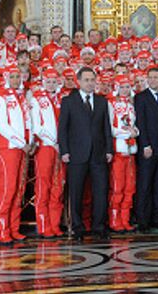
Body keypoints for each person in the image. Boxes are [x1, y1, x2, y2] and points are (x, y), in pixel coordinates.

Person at [59, 67, 113, 242]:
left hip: (98, 154)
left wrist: (109, 150)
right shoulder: (68, 101)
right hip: (76, 154)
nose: (90, 83)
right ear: (79, 81)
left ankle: (99, 227)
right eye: (86, 80)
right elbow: (63, 129)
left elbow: (106, 128)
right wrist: (64, 151)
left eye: (92, 80)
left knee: (101, 191)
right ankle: (77, 227)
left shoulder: (102, 101)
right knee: (76, 192)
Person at [0, 65, 33, 243]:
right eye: (13, 76)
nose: (16, 80)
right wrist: (22, 143)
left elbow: (28, 122)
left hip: (22, 148)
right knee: (7, 189)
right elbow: (2, 126)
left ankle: (14, 228)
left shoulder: (22, 97)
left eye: (19, 77)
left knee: (19, 189)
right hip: (7, 148)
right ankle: (1, 229)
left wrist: (30, 142)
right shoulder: (0, 98)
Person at [134, 67, 158, 231]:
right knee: (145, 185)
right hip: (148, 149)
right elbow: (140, 123)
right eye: (149, 77)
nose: (152, 80)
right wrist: (145, 144)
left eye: (155, 77)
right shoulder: (140, 97)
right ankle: (143, 220)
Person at [31, 68, 65, 237]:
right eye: (48, 81)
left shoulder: (62, 98)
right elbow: (37, 127)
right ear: (43, 82)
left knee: (58, 187)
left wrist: (62, 144)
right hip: (45, 147)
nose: (51, 84)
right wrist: (54, 142)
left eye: (54, 81)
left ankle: (55, 224)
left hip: (61, 148)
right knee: (43, 186)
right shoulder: (37, 99)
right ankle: (43, 225)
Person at [108, 75, 139, 232]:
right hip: (118, 151)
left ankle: (125, 220)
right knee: (117, 187)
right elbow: (110, 129)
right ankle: (115, 221)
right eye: (122, 87)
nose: (125, 90)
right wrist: (125, 134)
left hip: (131, 151)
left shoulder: (132, 104)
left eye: (128, 87)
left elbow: (135, 125)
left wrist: (135, 132)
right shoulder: (111, 103)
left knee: (129, 188)